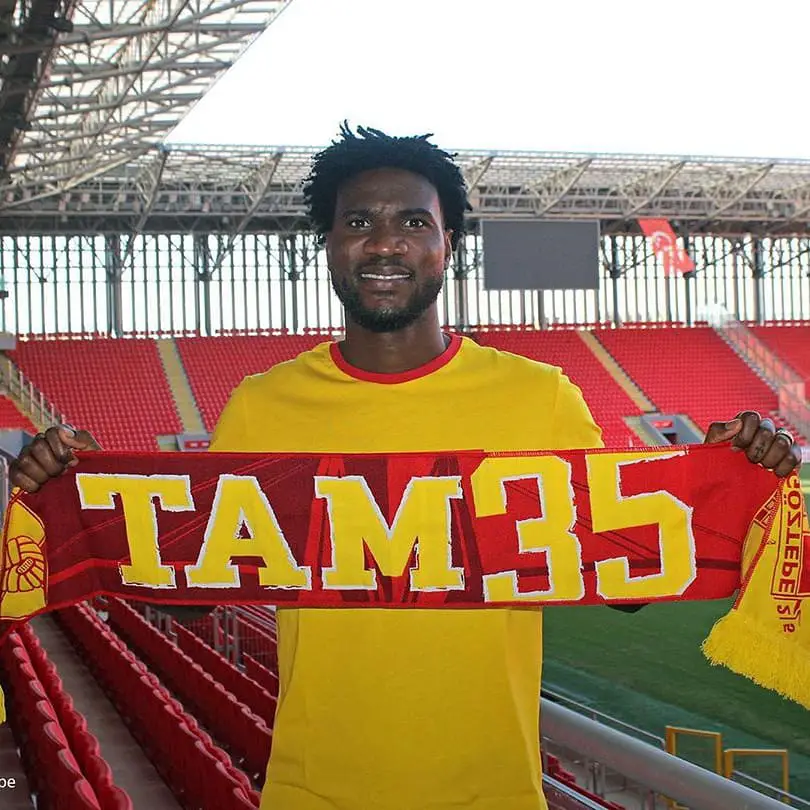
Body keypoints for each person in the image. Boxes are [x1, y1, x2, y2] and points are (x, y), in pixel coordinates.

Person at [9, 124, 803, 810]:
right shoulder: (262, 406)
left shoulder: (539, 398)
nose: (385, 243)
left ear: (446, 245)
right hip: (311, 795)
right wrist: (75, 500)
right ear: (329, 244)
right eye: (359, 221)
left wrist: (718, 477)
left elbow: (627, 581)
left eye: (413, 222)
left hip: (493, 794)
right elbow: (190, 595)